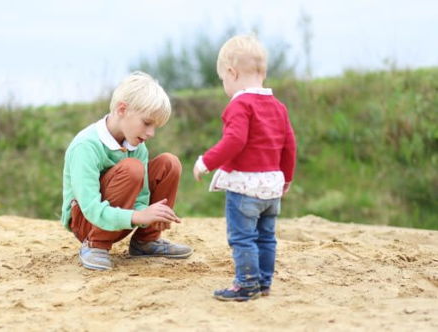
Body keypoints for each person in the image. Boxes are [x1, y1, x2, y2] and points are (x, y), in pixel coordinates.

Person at [193, 35, 296, 301]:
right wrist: (287, 178)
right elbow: (289, 145)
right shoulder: (278, 107)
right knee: (266, 238)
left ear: (232, 72)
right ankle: (263, 282)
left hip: (244, 186)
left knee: (242, 238)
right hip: (272, 186)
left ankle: (246, 283)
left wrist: (207, 161)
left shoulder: (240, 104)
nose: (225, 85)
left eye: (223, 80)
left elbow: (235, 140)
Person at [61, 71, 193, 271]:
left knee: (169, 163)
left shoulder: (137, 146)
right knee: (132, 169)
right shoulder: (86, 146)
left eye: (155, 127)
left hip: (122, 220)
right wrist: (137, 216)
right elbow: (90, 207)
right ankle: (96, 245)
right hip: (87, 222)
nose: (151, 133)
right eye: (147, 123)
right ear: (122, 109)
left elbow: (142, 197)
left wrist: (148, 214)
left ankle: (146, 242)